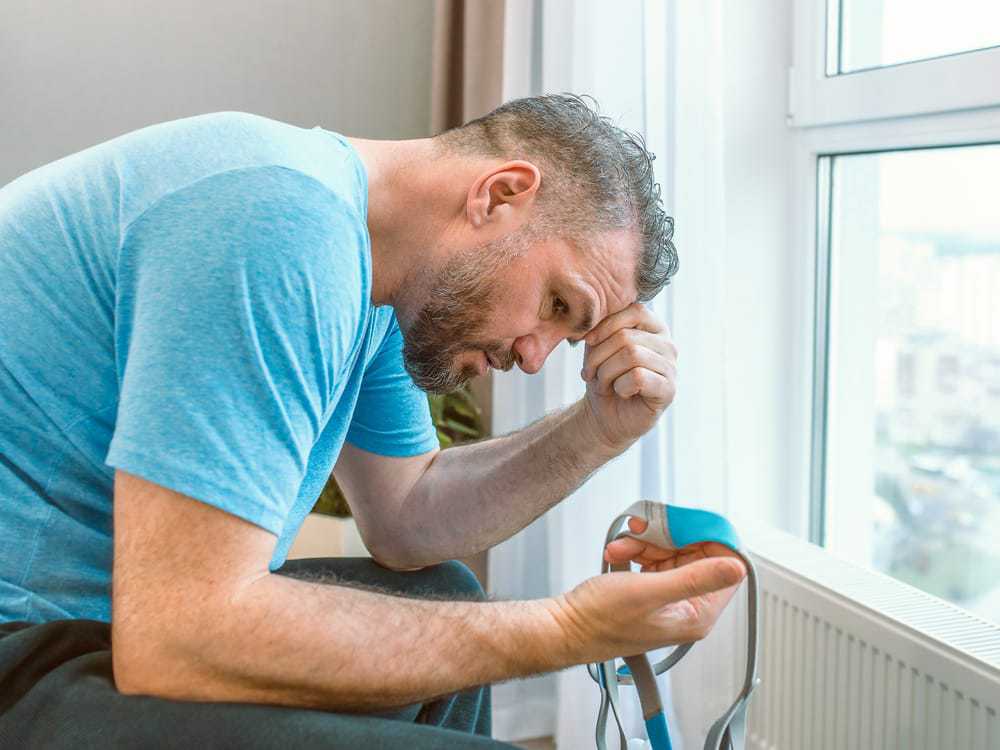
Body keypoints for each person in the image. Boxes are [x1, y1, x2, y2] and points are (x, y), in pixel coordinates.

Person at [0, 94, 746, 748]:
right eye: (556, 305)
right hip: (29, 646)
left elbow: (406, 521)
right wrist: (567, 631)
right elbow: (181, 636)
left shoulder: (376, 276)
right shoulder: (276, 221)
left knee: (444, 592)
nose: (535, 355)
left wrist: (598, 428)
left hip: (102, 627)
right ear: (501, 193)